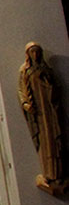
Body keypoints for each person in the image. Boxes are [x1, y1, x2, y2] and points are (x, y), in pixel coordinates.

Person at [18, 42, 66, 194]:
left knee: (57, 141)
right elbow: (22, 90)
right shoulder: (25, 71)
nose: (36, 55)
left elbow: (57, 87)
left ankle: (60, 175)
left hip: (51, 111)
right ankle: (50, 175)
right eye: (32, 52)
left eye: (37, 51)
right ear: (28, 55)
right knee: (46, 142)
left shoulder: (47, 70)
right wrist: (26, 104)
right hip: (39, 112)